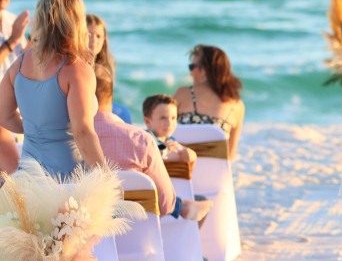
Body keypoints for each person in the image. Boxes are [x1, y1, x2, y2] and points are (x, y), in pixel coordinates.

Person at [0, 0, 106, 177]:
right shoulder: (76, 69)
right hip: (66, 180)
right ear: (75, 22)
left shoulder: (20, 63)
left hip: (28, 177)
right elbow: (82, 133)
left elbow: (3, 115)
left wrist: (35, 129)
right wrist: (106, 177)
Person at [93, 66, 209, 221]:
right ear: (109, 94)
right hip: (141, 236)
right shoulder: (141, 140)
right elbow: (167, 204)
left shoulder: (58, 140)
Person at [174, 45, 245, 160]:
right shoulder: (236, 105)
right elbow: (230, 156)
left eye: (192, 67)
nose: (190, 73)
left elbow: (162, 132)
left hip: (182, 171)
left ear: (204, 70)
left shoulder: (183, 94)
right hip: (217, 174)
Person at [0, 0, 29, 173]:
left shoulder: (12, 21)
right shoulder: (14, 31)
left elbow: (24, 62)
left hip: (13, 110)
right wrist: (12, 41)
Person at [87, 13, 133, 123]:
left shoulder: (108, 62)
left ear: (104, 40)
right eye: (89, 35)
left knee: (125, 114)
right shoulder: (75, 62)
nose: (94, 40)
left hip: (103, 106)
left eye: (98, 36)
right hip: (83, 105)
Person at [143, 94, 197, 164]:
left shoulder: (170, 140)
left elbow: (190, 155)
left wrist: (188, 153)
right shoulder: (146, 138)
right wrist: (165, 150)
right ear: (148, 122)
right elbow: (146, 156)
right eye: (163, 118)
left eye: (173, 118)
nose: (169, 123)